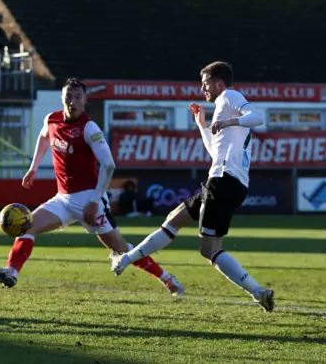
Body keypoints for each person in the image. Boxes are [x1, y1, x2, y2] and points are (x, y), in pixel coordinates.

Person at [0, 78, 184, 295]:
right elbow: (43, 137)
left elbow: (109, 164)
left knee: (120, 248)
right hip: (63, 198)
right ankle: (11, 272)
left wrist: (95, 201)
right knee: (27, 226)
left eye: (78, 97)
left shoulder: (88, 128)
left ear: (85, 99)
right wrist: (33, 168)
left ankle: (167, 278)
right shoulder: (52, 120)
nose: (72, 101)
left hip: (89, 199)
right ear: (62, 98)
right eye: (68, 96)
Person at [109, 61, 275, 312]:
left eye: (206, 83)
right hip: (225, 181)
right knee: (175, 218)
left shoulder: (230, 96)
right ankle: (128, 258)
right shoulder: (222, 106)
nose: (203, 88)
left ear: (219, 83)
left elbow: (258, 117)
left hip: (224, 181)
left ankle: (258, 292)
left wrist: (229, 123)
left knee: (209, 250)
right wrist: (201, 124)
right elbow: (214, 150)